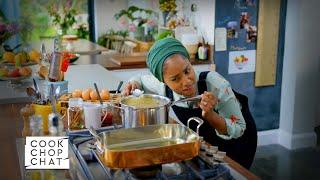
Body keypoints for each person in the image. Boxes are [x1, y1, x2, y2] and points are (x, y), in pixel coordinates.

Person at [123, 37, 257, 169]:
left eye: (187, 70)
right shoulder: (161, 86)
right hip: (208, 147)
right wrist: (134, 84)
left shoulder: (215, 84)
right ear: (163, 81)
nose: (186, 81)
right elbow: (139, 79)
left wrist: (210, 115)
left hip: (239, 145)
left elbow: (239, 129)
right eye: (175, 79)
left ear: (189, 63)